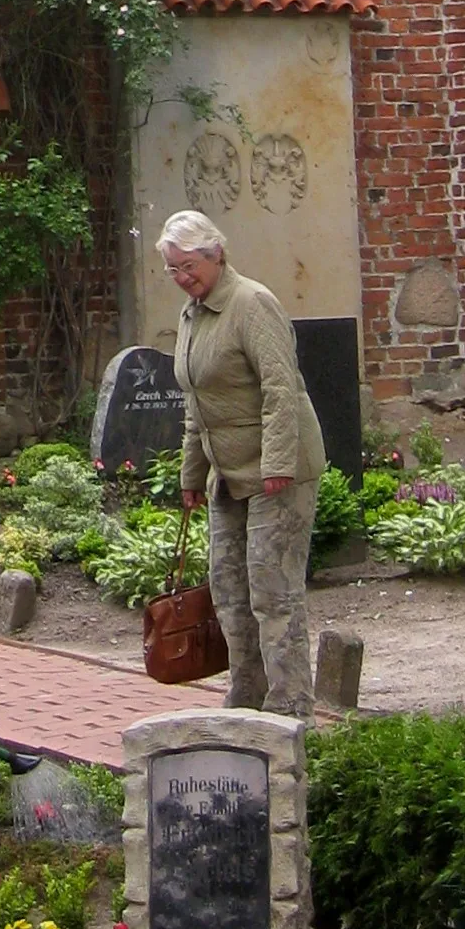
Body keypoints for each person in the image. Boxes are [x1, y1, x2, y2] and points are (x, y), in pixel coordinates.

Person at [159, 207, 325, 718]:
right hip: (226, 476)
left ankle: (290, 705)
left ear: (217, 254)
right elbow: (196, 403)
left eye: (190, 266)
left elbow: (280, 389)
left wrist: (276, 463)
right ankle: (246, 693)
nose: (184, 278)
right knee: (229, 590)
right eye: (173, 269)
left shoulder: (252, 304)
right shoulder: (192, 314)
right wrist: (191, 475)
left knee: (273, 592)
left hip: (279, 472)